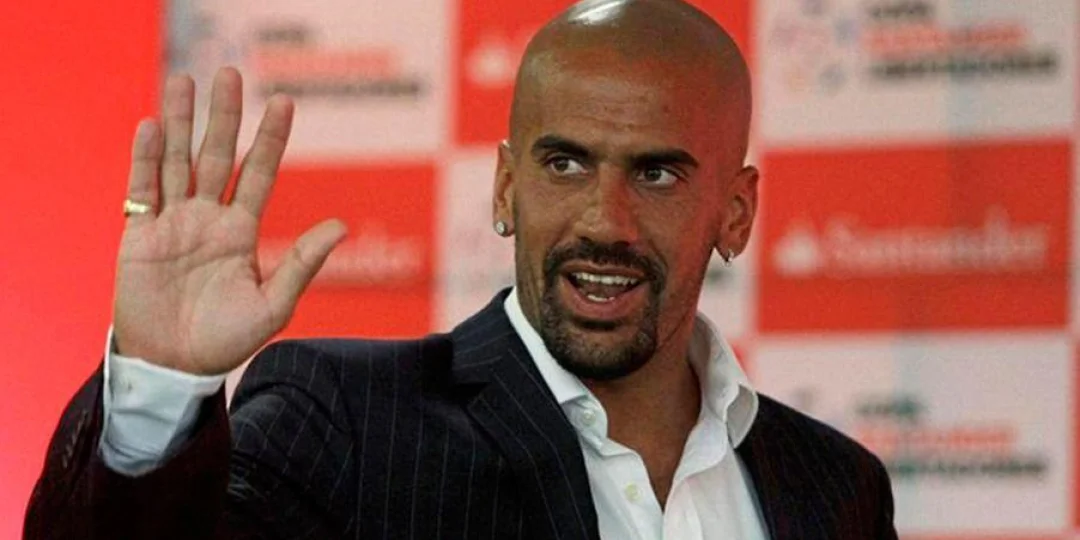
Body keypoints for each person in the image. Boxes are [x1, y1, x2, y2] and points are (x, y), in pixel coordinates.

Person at [25, 0, 897, 538]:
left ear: (735, 212)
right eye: (564, 164)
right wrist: (159, 386)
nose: (605, 221)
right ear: (506, 188)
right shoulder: (346, 420)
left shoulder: (833, 486)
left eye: (657, 174)